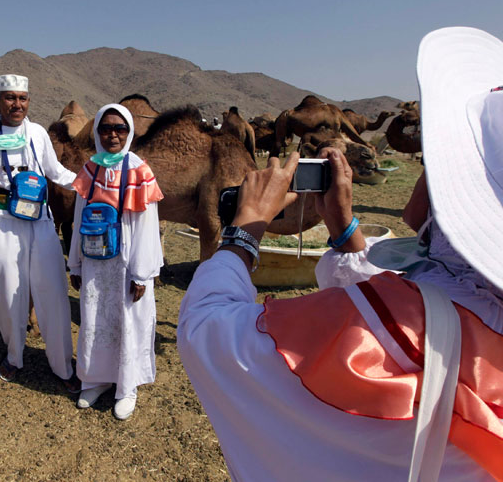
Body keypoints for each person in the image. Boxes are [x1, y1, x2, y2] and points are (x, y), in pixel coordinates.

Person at [177, 26, 503, 481]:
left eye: (437, 161)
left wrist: (245, 230)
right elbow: (420, 298)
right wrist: (345, 230)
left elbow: (206, 332)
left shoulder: (381, 337)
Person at [0, 74, 80, 392]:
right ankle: (14, 354)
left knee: (52, 288)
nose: (17, 104)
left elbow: (56, 172)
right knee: (5, 289)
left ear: (28, 101)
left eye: (22, 98)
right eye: (9, 98)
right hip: (3, 220)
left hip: (39, 218)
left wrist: (91, 184)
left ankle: (63, 365)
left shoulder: (37, 133)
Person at [68, 104, 164, 420]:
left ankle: (126, 388)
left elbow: (147, 227)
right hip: (96, 260)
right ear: (97, 132)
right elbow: (79, 219)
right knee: (94, 319)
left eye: (119, 129)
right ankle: (95, 380)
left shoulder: (139, 170)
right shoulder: (90, 169)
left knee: (128, 322)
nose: (112, 134)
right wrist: (76, 264)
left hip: (127, 263)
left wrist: (142, 274)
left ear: (129, 132)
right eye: (106, 128)